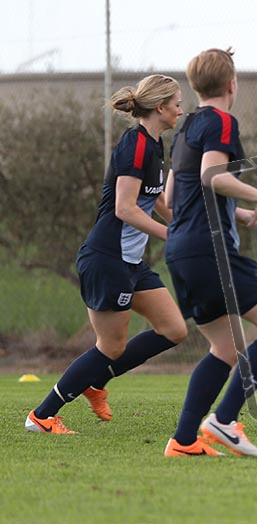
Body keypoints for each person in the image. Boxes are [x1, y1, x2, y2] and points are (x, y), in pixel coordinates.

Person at [25, 74, 187, 434]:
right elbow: (125, 208)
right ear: (160, 107)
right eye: (177, 102)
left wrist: (181, 228)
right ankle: (42, 415)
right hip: (107, 258)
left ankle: (96, 383)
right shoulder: (136, 145)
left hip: (131, 263)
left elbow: (156, 200)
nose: (181, 108)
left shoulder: (155, 144)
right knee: (110, 346)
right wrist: (170, 237)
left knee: (173, 329)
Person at [163, 48, 257, 456]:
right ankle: (222, 421)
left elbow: (172, 198)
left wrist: (241, 215)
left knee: (223, 347)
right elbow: (211, 176)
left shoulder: (185, 128)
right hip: (209, 251)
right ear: (231, 84)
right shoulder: (221, 121)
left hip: (181, 250)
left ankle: (183, 442)